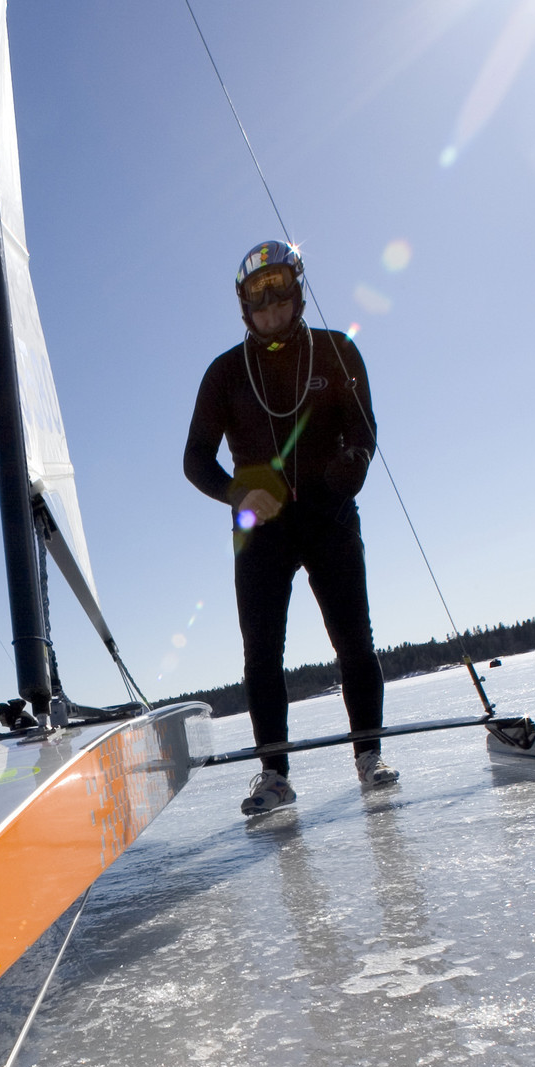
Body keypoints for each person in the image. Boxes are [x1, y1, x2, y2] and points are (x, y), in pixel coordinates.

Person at [184, 241, 397, 816]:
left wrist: (347, 469)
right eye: (259, 301)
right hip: (261, 530)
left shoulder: (336, 352)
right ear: (244, 307)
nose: (272, 310)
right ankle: (274, 775)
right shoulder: (225, 373)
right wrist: (237, 492)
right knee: (261, 655)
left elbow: (364, 430)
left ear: (298, 291)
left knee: (354, 640)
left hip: (329, 517)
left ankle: (369, 757)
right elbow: (195, 458)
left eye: (281, 295)